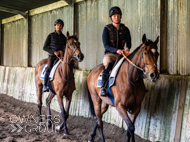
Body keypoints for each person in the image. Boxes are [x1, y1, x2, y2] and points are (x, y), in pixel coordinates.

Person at [101, 6, 132, 96]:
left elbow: (129, 43)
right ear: (111, 18)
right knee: (107, 65)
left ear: (120, 17)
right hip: (110, 54)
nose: (117, 18)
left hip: (122, 54)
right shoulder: (106, 29)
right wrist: (116, 50)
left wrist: (127, 48)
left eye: (118, 16)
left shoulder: (125, 29)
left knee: (132, 65)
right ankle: (103, 87)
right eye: (114, 16)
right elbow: (106, 45)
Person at [42, 19, 67, 92]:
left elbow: (66, 47)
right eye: (57, 25)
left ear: (62, 27)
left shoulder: (64, 37)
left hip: (61, 57)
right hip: (52, 57)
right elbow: (44, 47)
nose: (59, 27)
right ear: (55, 26)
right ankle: (45, 85)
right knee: (49, 69)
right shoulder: (50, 36)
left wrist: (62, 51)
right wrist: (54, 52)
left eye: (60, 25)